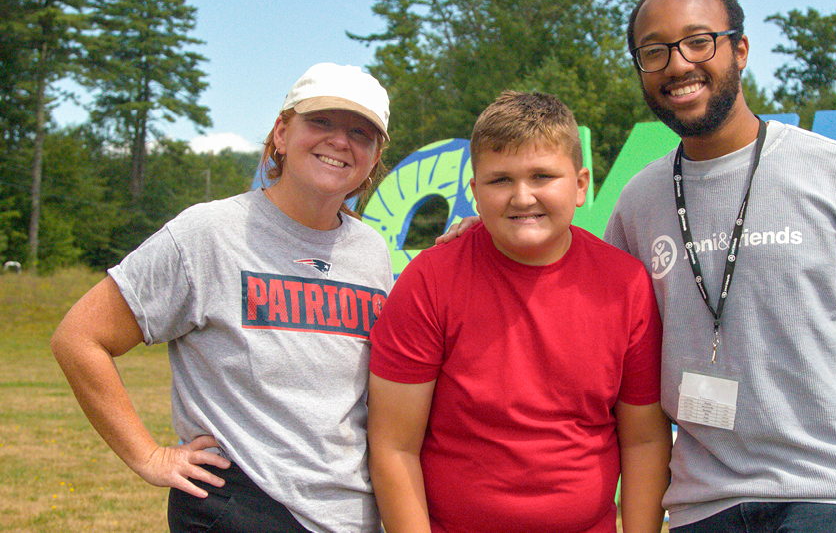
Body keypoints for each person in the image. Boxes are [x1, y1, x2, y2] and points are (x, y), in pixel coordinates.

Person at [605, 0, 836, 532]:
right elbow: (575, 293)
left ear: (739, 49)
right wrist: (483, 234)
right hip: (702, 507)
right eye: (654, 51)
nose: (678, 64)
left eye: (698, 41)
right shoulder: (638, 203)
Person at [50, 63, 393, 533]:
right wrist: (148, 456)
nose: (340, 141)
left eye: (361, 133)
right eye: (321, 122)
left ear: (374, 158)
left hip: (352, 514)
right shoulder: (208, 233)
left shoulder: (372, 252)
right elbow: (79, 338)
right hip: (244, 509)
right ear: (281, 133)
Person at [367, 91, 671, 533]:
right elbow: (394, 447)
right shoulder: (428, 282)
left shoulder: (627, 284)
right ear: (474, 192)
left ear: (581, 184)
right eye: (500, 180)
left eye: (542, 175)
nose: (522, 196)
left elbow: (644, 440)